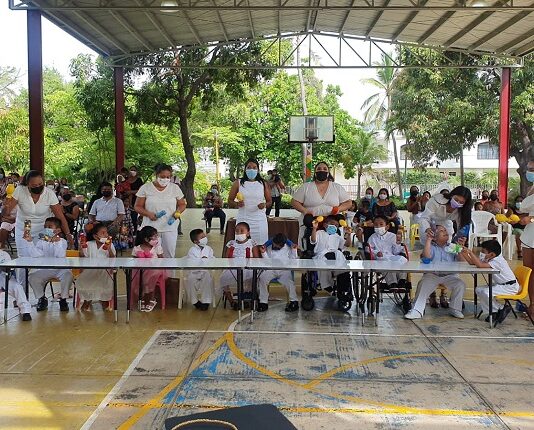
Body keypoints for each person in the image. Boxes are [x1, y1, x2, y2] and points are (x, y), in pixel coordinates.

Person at [4, 170, 73, 280]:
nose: (38, 187)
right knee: (24, 258)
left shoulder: (49, 194)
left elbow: (60, 216)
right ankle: (22, 287)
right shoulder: (20, 190)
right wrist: (6, 207)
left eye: (40, 184)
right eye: (34, 185)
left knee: (44, 255)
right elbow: (7, 212)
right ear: (28, 184)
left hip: (44, 228)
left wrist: (68, 234)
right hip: (26, 226)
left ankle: (40, 283)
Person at [404, 225, 466, 320]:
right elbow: (426, 257)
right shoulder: (431, 247)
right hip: (433, 275)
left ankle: (455, 309)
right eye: (441, 231)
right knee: (423, 283)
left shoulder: (453, 247)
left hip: (449, 276)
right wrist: (429, 240)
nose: (445, 232)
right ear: (435, 236)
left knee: (460, 284)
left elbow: (462, 262)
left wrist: (460, 249)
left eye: (445, 230)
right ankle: (417, 310)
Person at [134, 164, 187, 258]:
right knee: (150, 255)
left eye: (168, 177)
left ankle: (168, 269)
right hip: (150, 229)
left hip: (169, 228)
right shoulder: (145, 188)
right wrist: (149, 214)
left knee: (169, 256)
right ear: (156, 175)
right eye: (162, 177)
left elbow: (182, 204)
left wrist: (177, 214)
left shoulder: (175, 188)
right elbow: (137, 206)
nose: (165, 179)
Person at [291, 162, 352, 243]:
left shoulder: (337, 187)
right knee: (308, 247)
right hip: (310, 224)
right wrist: (304, 210)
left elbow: (348, 202)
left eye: (324, 169)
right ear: (315, 172)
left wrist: (338, 209)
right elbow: (294, 202)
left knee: (331, 247)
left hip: (332, 225)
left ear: (328, 172)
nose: (322, 170)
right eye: (319, 169)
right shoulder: (306, 187)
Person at [462, 240, 518, 325]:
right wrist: (463, 252)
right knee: (478, 289)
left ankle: (499, 309)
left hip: (509, 287)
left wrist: (470, 252)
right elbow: (472, 262)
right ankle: (495, 310)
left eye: (483, 251)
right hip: (501, 285)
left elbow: (480, 265)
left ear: (492, 254)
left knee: (486, 292)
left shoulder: (498, 261)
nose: (481, 253)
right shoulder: (489, 258)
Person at [26, 217, 72, 312]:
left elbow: (60, 255)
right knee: (32, 277)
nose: (46, 229)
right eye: (45, 227)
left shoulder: (62, 241)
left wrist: (56, 241)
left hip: (60, 269)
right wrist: (30, 242)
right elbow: (36, 254)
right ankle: (42, 298)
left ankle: (63, 299)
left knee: (68, 275)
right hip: (45, 269)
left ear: (58, 230)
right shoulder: (41, 241)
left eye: (50, 227)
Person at [228, 159, 272, 244]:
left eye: (254, 168)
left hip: (259, 220)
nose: (252, 170)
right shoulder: (238, 183)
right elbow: (230, 201)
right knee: (242, 245)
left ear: (258, 170)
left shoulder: (263, 183)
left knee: (260, 245)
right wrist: (237, 204)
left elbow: (269, 201)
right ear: (245, 169)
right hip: (243, 219)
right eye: (249, 167)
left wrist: (264, 205)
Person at [75, 223, 116, 312]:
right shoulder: (88, 244)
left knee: (105, 279)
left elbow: (113, 259)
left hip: (105, 272)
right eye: (103, 233)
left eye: (106, 233)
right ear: (95, 236)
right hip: (90, 271)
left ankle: (104, 301)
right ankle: (87, 301)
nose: (106, 235)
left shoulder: (110, 245)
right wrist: (80, 249)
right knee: (86, 279)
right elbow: (82, 258)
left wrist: (109, 249)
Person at [220, 222, 260, 308]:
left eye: (242, 231)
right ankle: (232, 302)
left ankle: (249, 298)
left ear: (248, 233)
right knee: (223, 278)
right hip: (233, 268)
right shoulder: (231, 243)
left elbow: (256, 258)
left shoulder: (252, 243)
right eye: (237, 231)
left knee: (252, 278)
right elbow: (226, 258)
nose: (239, 233)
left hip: (248, 268)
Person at [258, 233, 299, 312]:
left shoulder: (288, 247)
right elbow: (267, 262)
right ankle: (263, 302)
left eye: (278, 246)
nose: (275, 246)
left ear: (283, 245)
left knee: (289, 282)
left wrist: (294, 250)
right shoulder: (269, 247)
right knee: (262, 278)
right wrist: (263, 253)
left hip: (284, 270)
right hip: (271, 269)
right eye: (274, 244)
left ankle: (294, 301)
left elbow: (293, 260)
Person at [131, 226, 168, 312]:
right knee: (137, 278)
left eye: (157, 236)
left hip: (156, 270)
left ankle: (151, 299)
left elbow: (162, 260)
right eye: (154, 236)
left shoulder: (157, 248)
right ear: (146, 239)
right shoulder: (137, 248)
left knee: (149, 277)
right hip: (140, 271)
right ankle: (143, 299)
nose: (156, 238)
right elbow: (133, 261)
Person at [310, 215, 350, 291]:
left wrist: (348, 234)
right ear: (325, 225)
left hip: (334, 255)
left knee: (339, 255)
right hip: (321, 255)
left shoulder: (337, 236)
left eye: (336, 226)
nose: (334, 227)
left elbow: (346, 244)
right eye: (332, 224)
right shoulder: (319, 233)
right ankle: (326, 285)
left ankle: (341, 279)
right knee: (324, 264)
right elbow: (313, 240)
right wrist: (314, 228)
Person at [367, 215, 407, 287]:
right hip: (380, 259)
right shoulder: (372, 237)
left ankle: (402, 280)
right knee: (386, 263)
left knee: (402, 259)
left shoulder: (393, 236)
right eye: (376, 225)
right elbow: (368, 249)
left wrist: (398, 244)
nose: (378, 227)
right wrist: (376, 253)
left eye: (381, 224)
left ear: (387, 227)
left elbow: (396, 252)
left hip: (391, 256)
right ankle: (393, 283)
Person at [517, 160, 534, 319]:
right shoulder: (531, 189)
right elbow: (523, 207)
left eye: (533, 169)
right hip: (529, 237)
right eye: (529, 169)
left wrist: (532, 219)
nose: (530, 173)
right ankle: (532, 306)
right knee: (529, 273)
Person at [185, 229, 214, 310]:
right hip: (194, 272)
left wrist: (207, 260)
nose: (205, 238)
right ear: (196, 241)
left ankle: (206, 301)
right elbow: (191, 262)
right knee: (190, 280)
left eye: (204, 236)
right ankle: (194, 301)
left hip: (205, 271)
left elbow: (212, 259)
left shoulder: (209, 249)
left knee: (207, 279)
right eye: (202, 237)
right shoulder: (192, 250)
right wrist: (201, 260)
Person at [0, 250, 32, 321]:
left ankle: (25, 311)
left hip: (3, 277)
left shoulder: (4, 254)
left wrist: (5, 269)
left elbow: (9, 269)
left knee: (17, 287)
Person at [125, 165, 144, 234]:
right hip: (125, 202)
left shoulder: (139, 180)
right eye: (131, 170)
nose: (132, 171)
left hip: (135, 201)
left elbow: (141, 190)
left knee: (133, 218)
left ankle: (134, 234)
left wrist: (131, 192)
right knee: (125, 218)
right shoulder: (125, 179)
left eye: (134, 170)